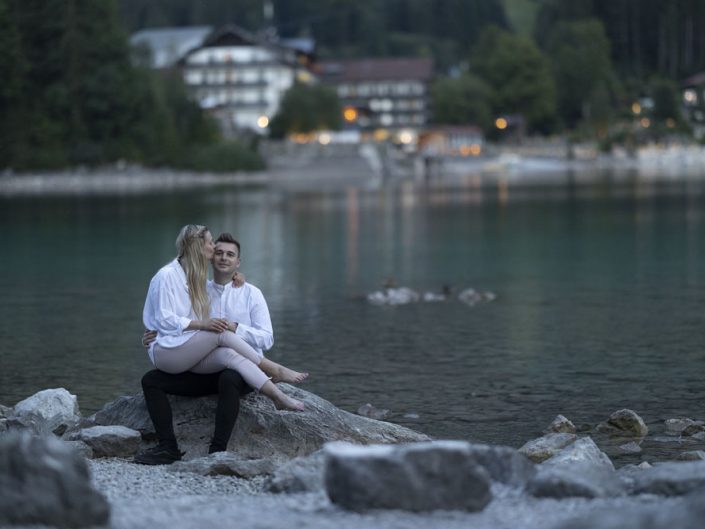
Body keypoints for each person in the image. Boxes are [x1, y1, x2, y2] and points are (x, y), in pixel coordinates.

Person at [142, 225, 305, 410]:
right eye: (213, 246)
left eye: (229, 255)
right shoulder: (174, 279)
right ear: (201, 249)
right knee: (221, 333)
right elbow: (164, 319)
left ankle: (278, 397)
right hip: (177, 353)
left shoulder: (206, 282)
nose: (218, 252)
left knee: (229, 354)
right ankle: (272, 368)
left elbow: (266, 339)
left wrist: (235, 323)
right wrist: (200, 325)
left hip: (198, 353)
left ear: (238, 262)